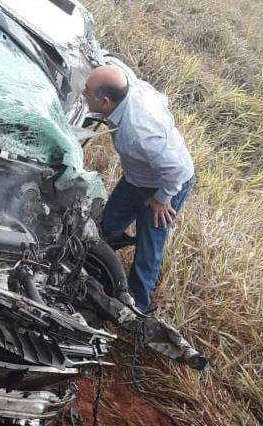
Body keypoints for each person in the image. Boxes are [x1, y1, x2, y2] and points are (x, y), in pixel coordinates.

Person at [82, 64, 194, 313]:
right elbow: (161, 99)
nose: (83, 94)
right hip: (138, 178)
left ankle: (136, 307)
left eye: (86, 91)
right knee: (106, 225)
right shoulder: (129, 85)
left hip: (167, 183)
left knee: (149, 243)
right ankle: (92, 269)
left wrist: (163, 198)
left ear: (105, 102)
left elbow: (175, 169)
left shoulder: (138, 132)